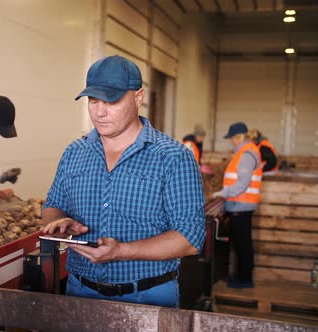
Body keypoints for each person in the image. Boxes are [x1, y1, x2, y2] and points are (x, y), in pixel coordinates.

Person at [41, 55, 206, 308]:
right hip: (79, 292)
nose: (100, 112)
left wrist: (121, 250)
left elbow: (190, 238)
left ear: (138, 97)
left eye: (112, 101)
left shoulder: (173, 157)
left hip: (148, 296)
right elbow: (52, 207)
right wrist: (58, 223)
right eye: (93, 101)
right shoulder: (74, 153)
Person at [212, 122, 262, 289]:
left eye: (231, 138)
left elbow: (243, 183)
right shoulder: (244, 152)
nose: (231, 142)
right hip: (238, 205)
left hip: (242, 205)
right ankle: (241, 276)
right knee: (240, 244)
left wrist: (223, 193)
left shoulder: (247, 153)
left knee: (243, 244)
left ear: (237, 137)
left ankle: (245, 279)